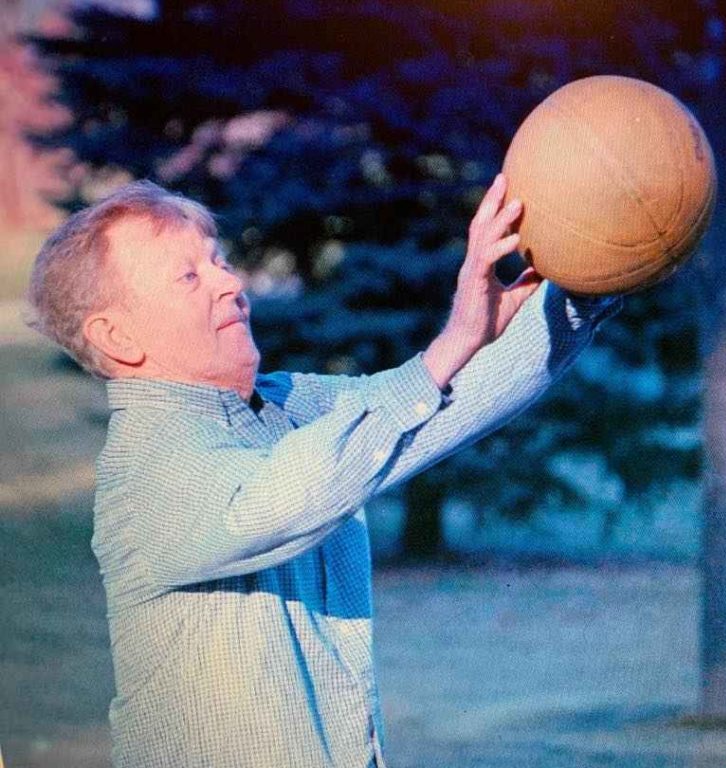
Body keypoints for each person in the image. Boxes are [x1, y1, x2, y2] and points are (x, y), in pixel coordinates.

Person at [26, 176, 619, 768]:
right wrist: (454, 341)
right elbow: (288, 496)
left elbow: (440, 402)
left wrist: (591, 280)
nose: (231, 283)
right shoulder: (143, 478)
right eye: (189, 277)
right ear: (117, 336)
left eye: (218, 261)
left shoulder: (286, 406)